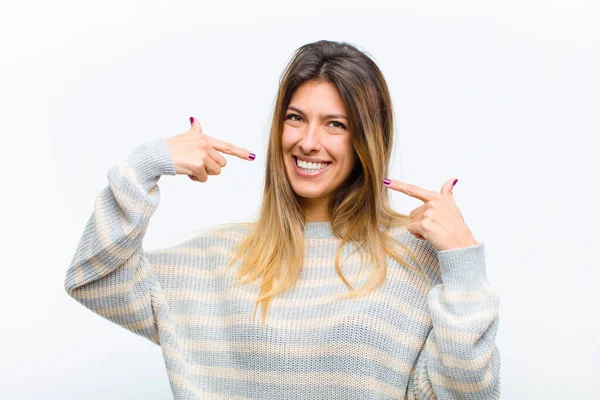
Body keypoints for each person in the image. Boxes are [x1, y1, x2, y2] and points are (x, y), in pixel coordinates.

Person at [64, 40, 501, 399]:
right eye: (296, 118)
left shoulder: (413, 257)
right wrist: (145, 166)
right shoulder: (216, 261)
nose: (309, 142)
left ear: (368, 138)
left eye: (336, 124)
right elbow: (94, 279)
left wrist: (463, 264)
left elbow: (467, 395)